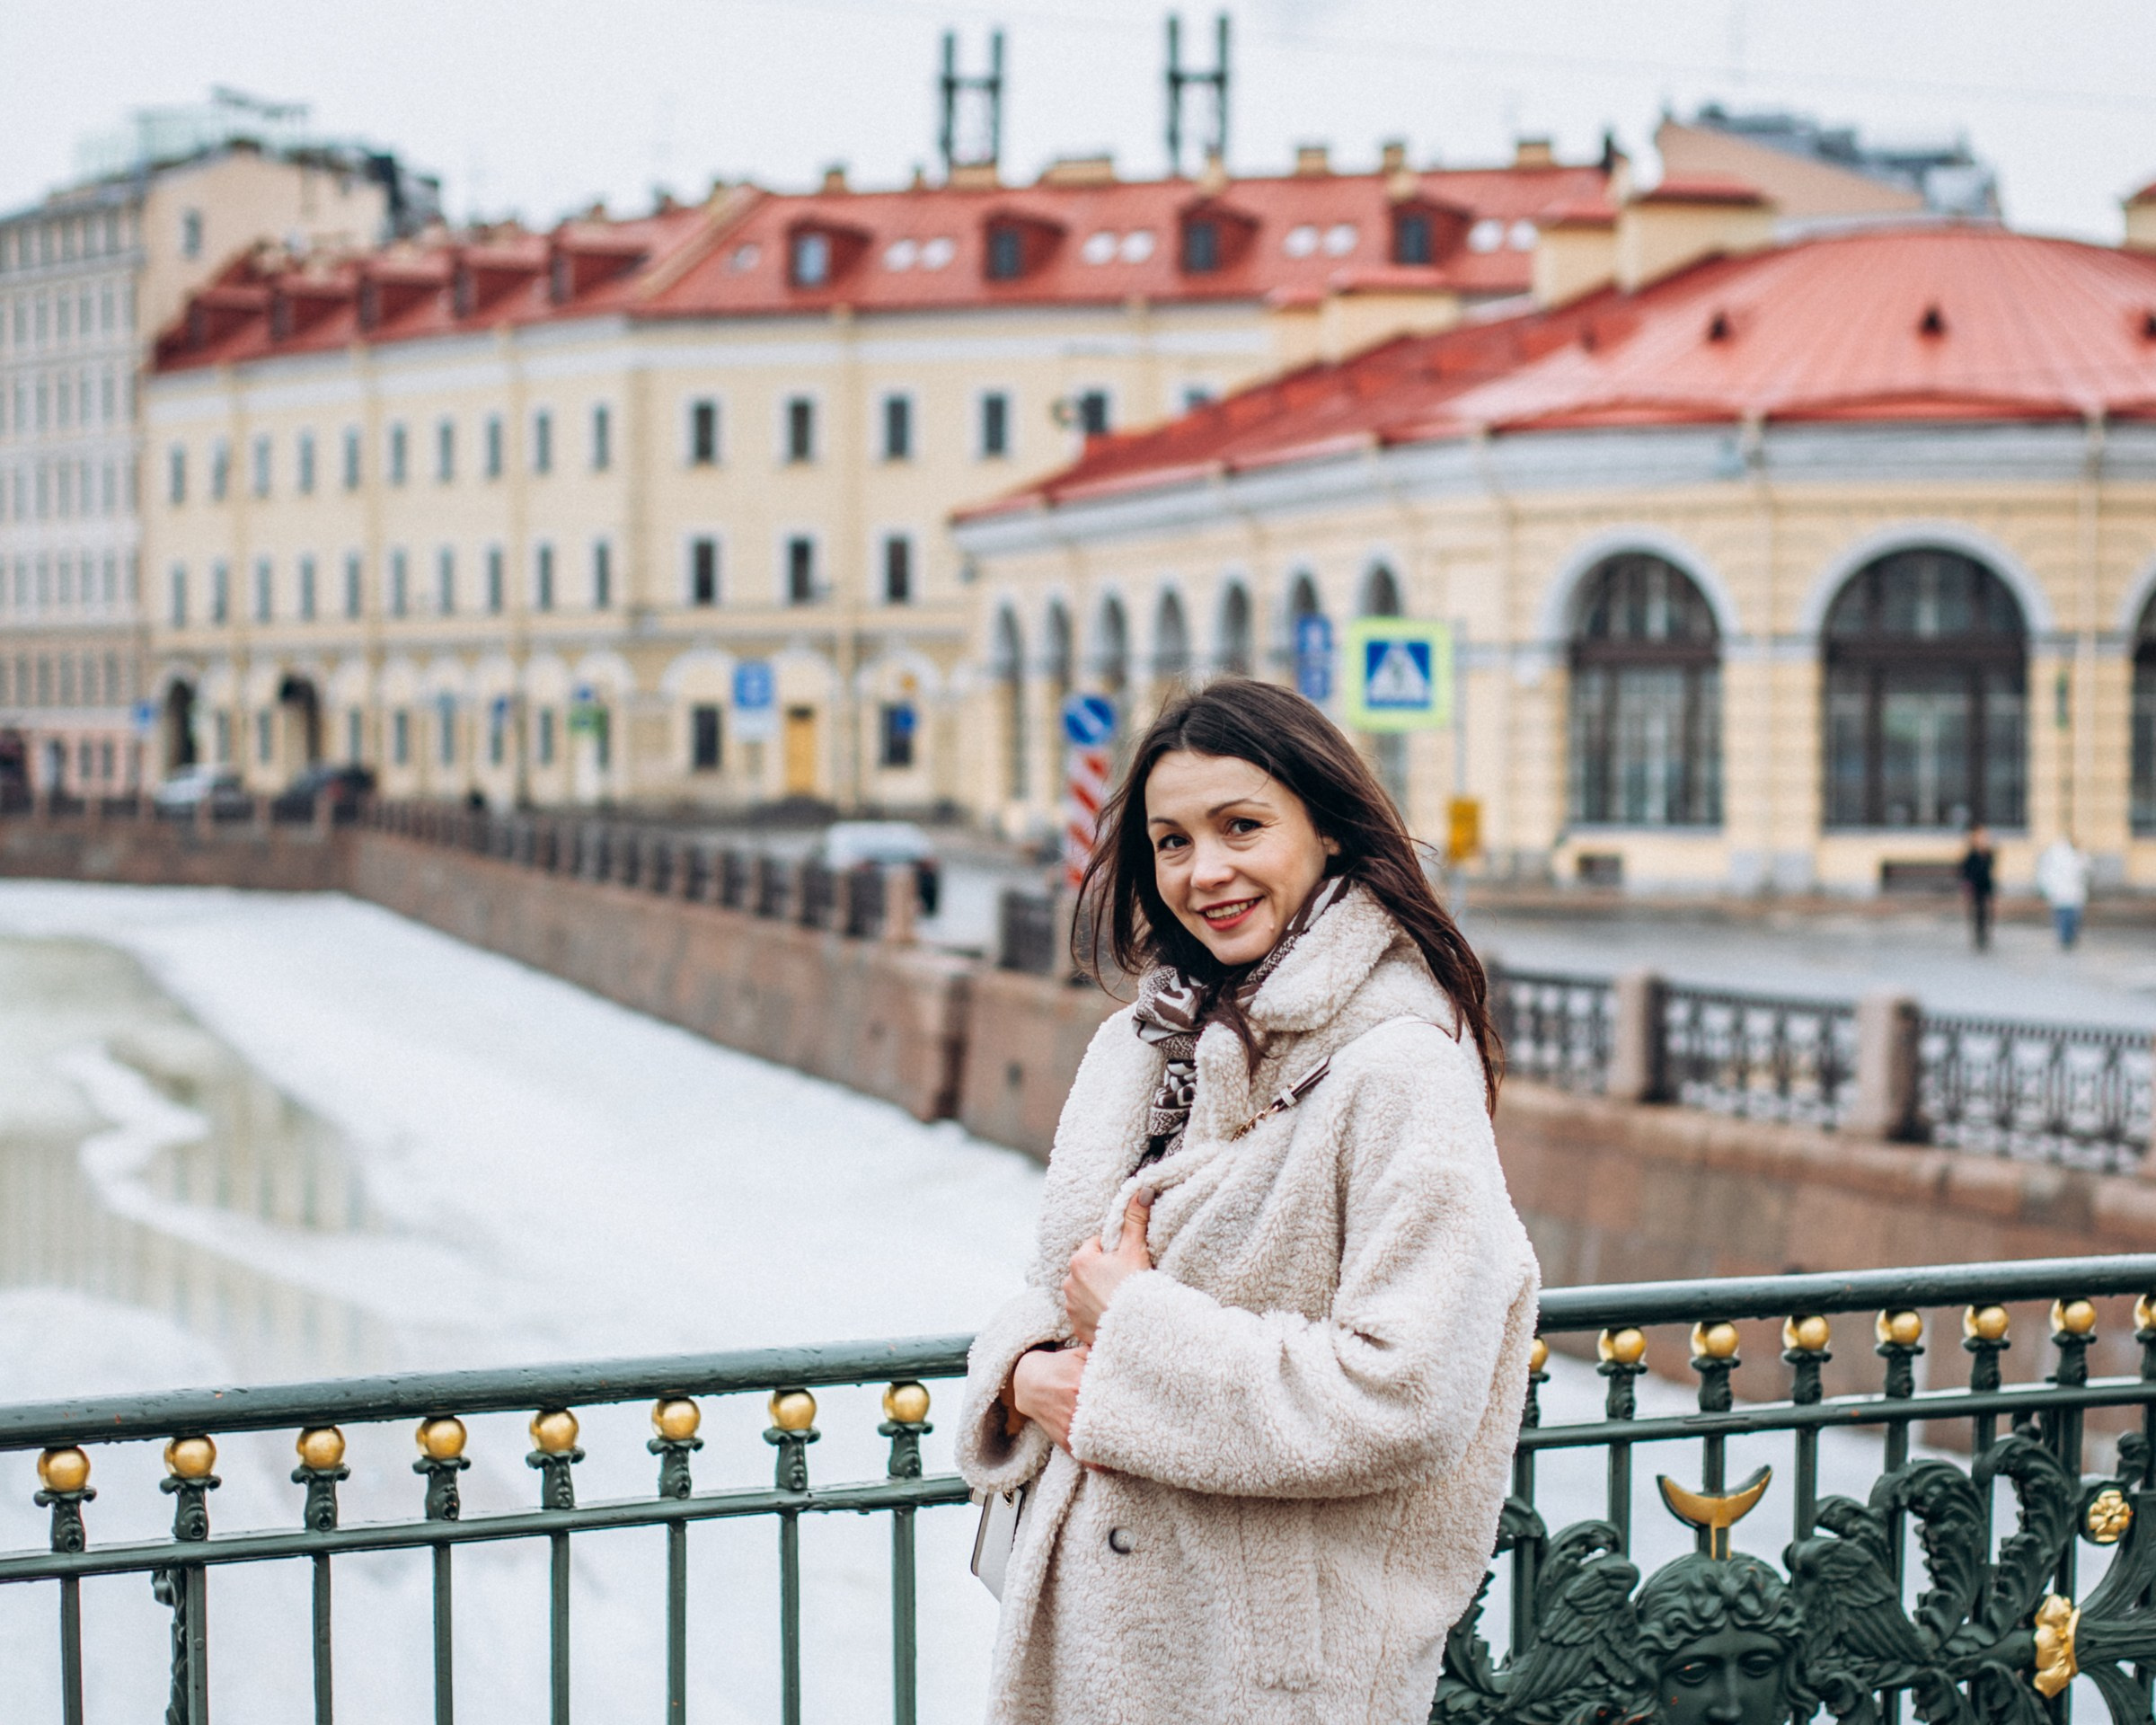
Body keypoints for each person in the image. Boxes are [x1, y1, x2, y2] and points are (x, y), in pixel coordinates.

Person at [957, 678, 1540, 1725]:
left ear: (1330, 832)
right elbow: (1072, 1290)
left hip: (1273, 1679)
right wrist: (1024, 1377)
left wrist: (1131, 1336)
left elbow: (1406, 1400)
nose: (1204, 871)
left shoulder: (1399, 1066)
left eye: (1242, 827)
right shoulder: (1140, 1046)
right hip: (1103, 1647)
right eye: (1170, 841)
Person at [2036, 833, 2090, 950]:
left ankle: (2067, 937)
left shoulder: (2077, 854)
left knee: (2069, 917)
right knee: (2066, 917)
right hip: (2062, 893)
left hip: (2069, 893)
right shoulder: (2060, 854)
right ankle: (2066, 938)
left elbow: (2085, 871)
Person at [1959, 824, 1996, 951]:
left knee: (1987, 912)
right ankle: (1978, 936)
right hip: (1975, 887)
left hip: (1985, 886)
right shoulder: (1972, 854)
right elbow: (1966, 870)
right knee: (1978, 912)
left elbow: (1990, 867)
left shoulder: (1988, 853)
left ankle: (1984, 935)